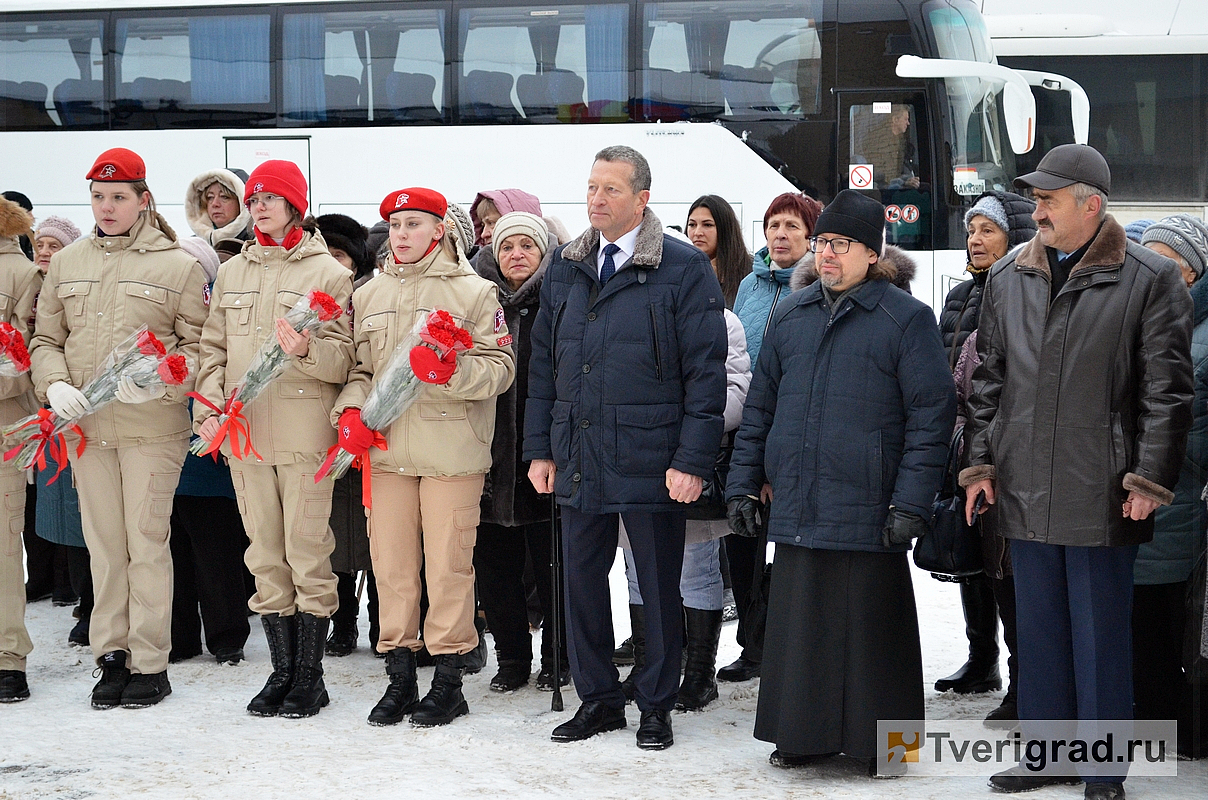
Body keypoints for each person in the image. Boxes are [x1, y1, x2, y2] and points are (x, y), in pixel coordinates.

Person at [962, 144, 1194, 797]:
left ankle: (1101, 768)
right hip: (1023, 483)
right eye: (1034, 199)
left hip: (1103, 488)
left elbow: (1168, 393)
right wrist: (978, 462)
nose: (1035, 210)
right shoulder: (1010, 276)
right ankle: (1048, 756)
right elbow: (989, 382)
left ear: (1089, 204)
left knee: (1099, 635)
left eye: (1048, 199)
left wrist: (1149, 479)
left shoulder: (1148, 279)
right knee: (1039, 632)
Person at [726, 189, 954, 772]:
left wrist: (911, 503)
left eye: (842, 245)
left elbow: (932, 418)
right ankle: (801, 736)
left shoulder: (907, 319)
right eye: (823, 242)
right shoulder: (792, 314)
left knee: (877, 634)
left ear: (873, 254)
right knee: (802, 629)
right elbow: (759, 410)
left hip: (870, 504)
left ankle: (889, 749)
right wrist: (743, 484)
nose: (827, 254)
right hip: (801, 500)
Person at [524, 145, 727, 750]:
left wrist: (692, 461)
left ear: (642, 198)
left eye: (610, 189)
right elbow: (543, 367)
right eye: (591, 187)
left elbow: (706, 373)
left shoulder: (683, 268)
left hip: (652, 456)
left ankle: (656, 705)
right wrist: (541, 448)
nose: (596, 199)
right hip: (578, 452)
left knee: (659, 587)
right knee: (582, 584)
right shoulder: (566, 266)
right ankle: (599, 700)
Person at [30, 147, 209, 708]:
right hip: (87, 429)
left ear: (142, 199)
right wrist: (54, 384)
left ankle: (150, 661)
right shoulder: (68, 262)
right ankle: (111, 655)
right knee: (104, 546)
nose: (106, 207)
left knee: (146, 542)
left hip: (152, 428)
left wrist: (162, 379)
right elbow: (45, 340)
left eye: (118, 197)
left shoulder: (177, 264)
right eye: (98, 197)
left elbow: (202, 348)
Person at [333, 187, 513, 728]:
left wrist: (451, 373)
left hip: (452, 454)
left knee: (449, 568)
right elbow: (359, 371)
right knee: (391, 569)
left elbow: (501, 369)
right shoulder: (368, 294)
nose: (402, 233)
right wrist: (349, 413)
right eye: (395, 224)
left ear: (439, 230)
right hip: (386, 454)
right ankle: (400, 678)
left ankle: (450, 681)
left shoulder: (476, 293)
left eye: (413, 223)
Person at [194, 159, 354, 719]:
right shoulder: (233, 271)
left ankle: (310, 676)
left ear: (295, 206)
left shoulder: (328, 274)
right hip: (244, 438)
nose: (258, 206)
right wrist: (207, 413)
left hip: (304, 436)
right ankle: (280, 670)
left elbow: (345, 360)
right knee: (263, 554)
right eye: (254, 199)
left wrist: (307, 351)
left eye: (270, 198)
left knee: (307, 554)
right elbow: (210, 351)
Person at [934, 191, 1037, 728]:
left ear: (1014, 239)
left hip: (1007, 458)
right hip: (962, 449)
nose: (974, 240)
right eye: (971, 230)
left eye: (987, 231)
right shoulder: (958, 298)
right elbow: (944, 374)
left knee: (1009, 574)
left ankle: (1024, 681)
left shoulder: (1025, 298)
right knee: (970, 562)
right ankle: (982, 660)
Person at [724, 191, 822, 684]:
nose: (780, 235)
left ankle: (781, 641)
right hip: (746, 429)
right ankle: (751, 643)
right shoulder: (748, 285)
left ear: (811, 237)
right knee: (740, 543)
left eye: (792, 227)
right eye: (773, 226)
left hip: (791, 434)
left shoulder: (814, 288)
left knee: (784, 547)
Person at [471, 211, 568, 693]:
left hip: (542, 459)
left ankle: (557, 656)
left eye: (528, 246)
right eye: (508, 247)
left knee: (552, 569)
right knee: (494, 571)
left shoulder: (559, 298)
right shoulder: (476, 299)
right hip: (486, 463)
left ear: (544, 251)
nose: (517, 255)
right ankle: (511, 658)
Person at [1135, 214, 1208, 757]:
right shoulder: (1164, 320)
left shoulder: (1196, 336)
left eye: (1162, 260)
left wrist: (1153, 457)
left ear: (1190, 271)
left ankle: (1177, 730)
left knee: (1159, 631)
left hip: (1174, 505)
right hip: (1152, 504)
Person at [168, 237, 252, 667]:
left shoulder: (218, 325)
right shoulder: (162, 325)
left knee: (216, 554)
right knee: (172, 555)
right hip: (164, 460)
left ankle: (226, 636)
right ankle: (179, 636)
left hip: (209, 464)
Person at [314, 213, 378, 658]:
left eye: (341, 255)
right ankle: (342, 622)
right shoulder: (313, 301)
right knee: (334, 534)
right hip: (324, 427)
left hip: (372, 425)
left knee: (376, 535)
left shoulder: (372, 297)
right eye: (328, 254)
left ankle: (380, 619)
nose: (335, 263)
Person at [0, 195, 41, 702]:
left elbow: (24, 360)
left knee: (4, 545)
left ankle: (8, 656)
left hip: (5, 427)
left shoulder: (21, 274)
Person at [685, 195, 751, 309]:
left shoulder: (751, 273)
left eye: (707, 225)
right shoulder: (676, 271)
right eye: (692, 225)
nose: (697, 232)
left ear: (725, 229)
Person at [185, 168, 252, 245]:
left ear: (242, 203)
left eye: (224, 197)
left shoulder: (256, 246)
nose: (215, 204)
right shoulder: (193, 246)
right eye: (210, 197)